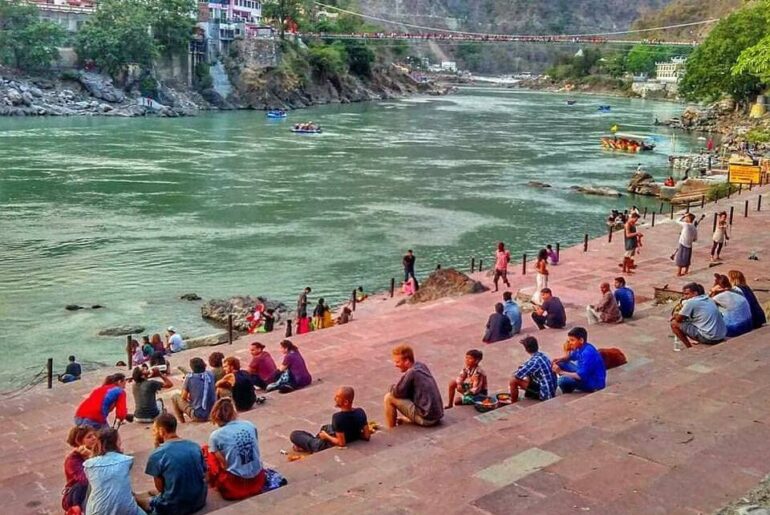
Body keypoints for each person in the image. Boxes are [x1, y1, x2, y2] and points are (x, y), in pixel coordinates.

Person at [138, 413, 207, 515]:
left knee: (138, 500)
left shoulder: (157, 455)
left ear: (161, 431)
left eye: (154, 430)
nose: (154, 433)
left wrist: (157, 448)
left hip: (174, 507)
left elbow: (160, 488)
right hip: (200, 500)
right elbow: (204, 473)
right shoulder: (195, 446)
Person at [204, 398, 266, 500]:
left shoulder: (216, 435)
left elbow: (224, 465)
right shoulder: (249, 425)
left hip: (236, 484)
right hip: (258, 478)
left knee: (209, 453)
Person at [83, 428, 145, 515]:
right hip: (125, 510)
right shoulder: (127, 460)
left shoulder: (88, 465)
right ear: (116, 442)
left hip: (95, 510)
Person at [290, 386, 371, 452]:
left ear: (345, 402)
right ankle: (313, 441)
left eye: (338, 397)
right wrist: (355, 434)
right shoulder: (360, 412)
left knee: (295, 435)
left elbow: (341, 443)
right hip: (345, 435)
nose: (335, 399)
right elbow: (367, 436)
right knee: (326, 427)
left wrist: (326, 436)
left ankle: (310, 445)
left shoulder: (338, 417)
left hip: (330, 442)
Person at [383, 344, 443, 428]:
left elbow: (397, 392)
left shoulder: (412, 372)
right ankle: (410, 418)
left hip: (427, 419)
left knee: (388, 397)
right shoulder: (421, 365)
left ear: (407, 361)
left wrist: (391, 387)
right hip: (437, 414)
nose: (395, 365)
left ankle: (391, 429)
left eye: (397, 362)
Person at [670, 283, 727, 348]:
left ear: (695, 293)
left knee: (674, 323)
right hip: (721, 335)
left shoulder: (691, 302)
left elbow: (678, 319)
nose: (685, 297)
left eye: (687, 294)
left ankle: (689, 347)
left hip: (710, 338)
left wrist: (675, 315)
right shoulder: (709, 299)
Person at [552, 327, 606, 394]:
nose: (570, 343)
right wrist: (560, 359)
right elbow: (571, 356)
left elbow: (580, 376)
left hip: (594, 383)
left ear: (581, 340)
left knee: (561, 380)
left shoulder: (587, 353)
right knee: (560, 363)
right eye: (569, 341)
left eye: (572, 340)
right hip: (584, 374)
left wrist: (560, 372)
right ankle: (568, 384)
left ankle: (568, 389)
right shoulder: (580, 347)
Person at [62, 426, 98, 515]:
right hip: (79, 494)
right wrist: (91, 457)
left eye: (94, 435)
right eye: (89, 437)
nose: (94, 438)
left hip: (95, 488)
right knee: (81, 485)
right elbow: (85, 480)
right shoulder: (72, 460)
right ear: (79, 442)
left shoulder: (98, 451)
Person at [510, 336, 558, 402]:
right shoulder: (543, 355)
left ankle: (513, 401)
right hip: (552, 388)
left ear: (526, 349)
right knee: (526, 372)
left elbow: (517, 375)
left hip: (545, 393)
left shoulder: (534, 362)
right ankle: (529, 393)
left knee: (513, 381)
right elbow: (525, 367)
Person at [171, 357, 216, 423]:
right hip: (213, 412)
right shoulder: (210, 374)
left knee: (175, 397)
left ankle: (182, 422)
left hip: (198, 415)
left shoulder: (189, 378)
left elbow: (183, 397)